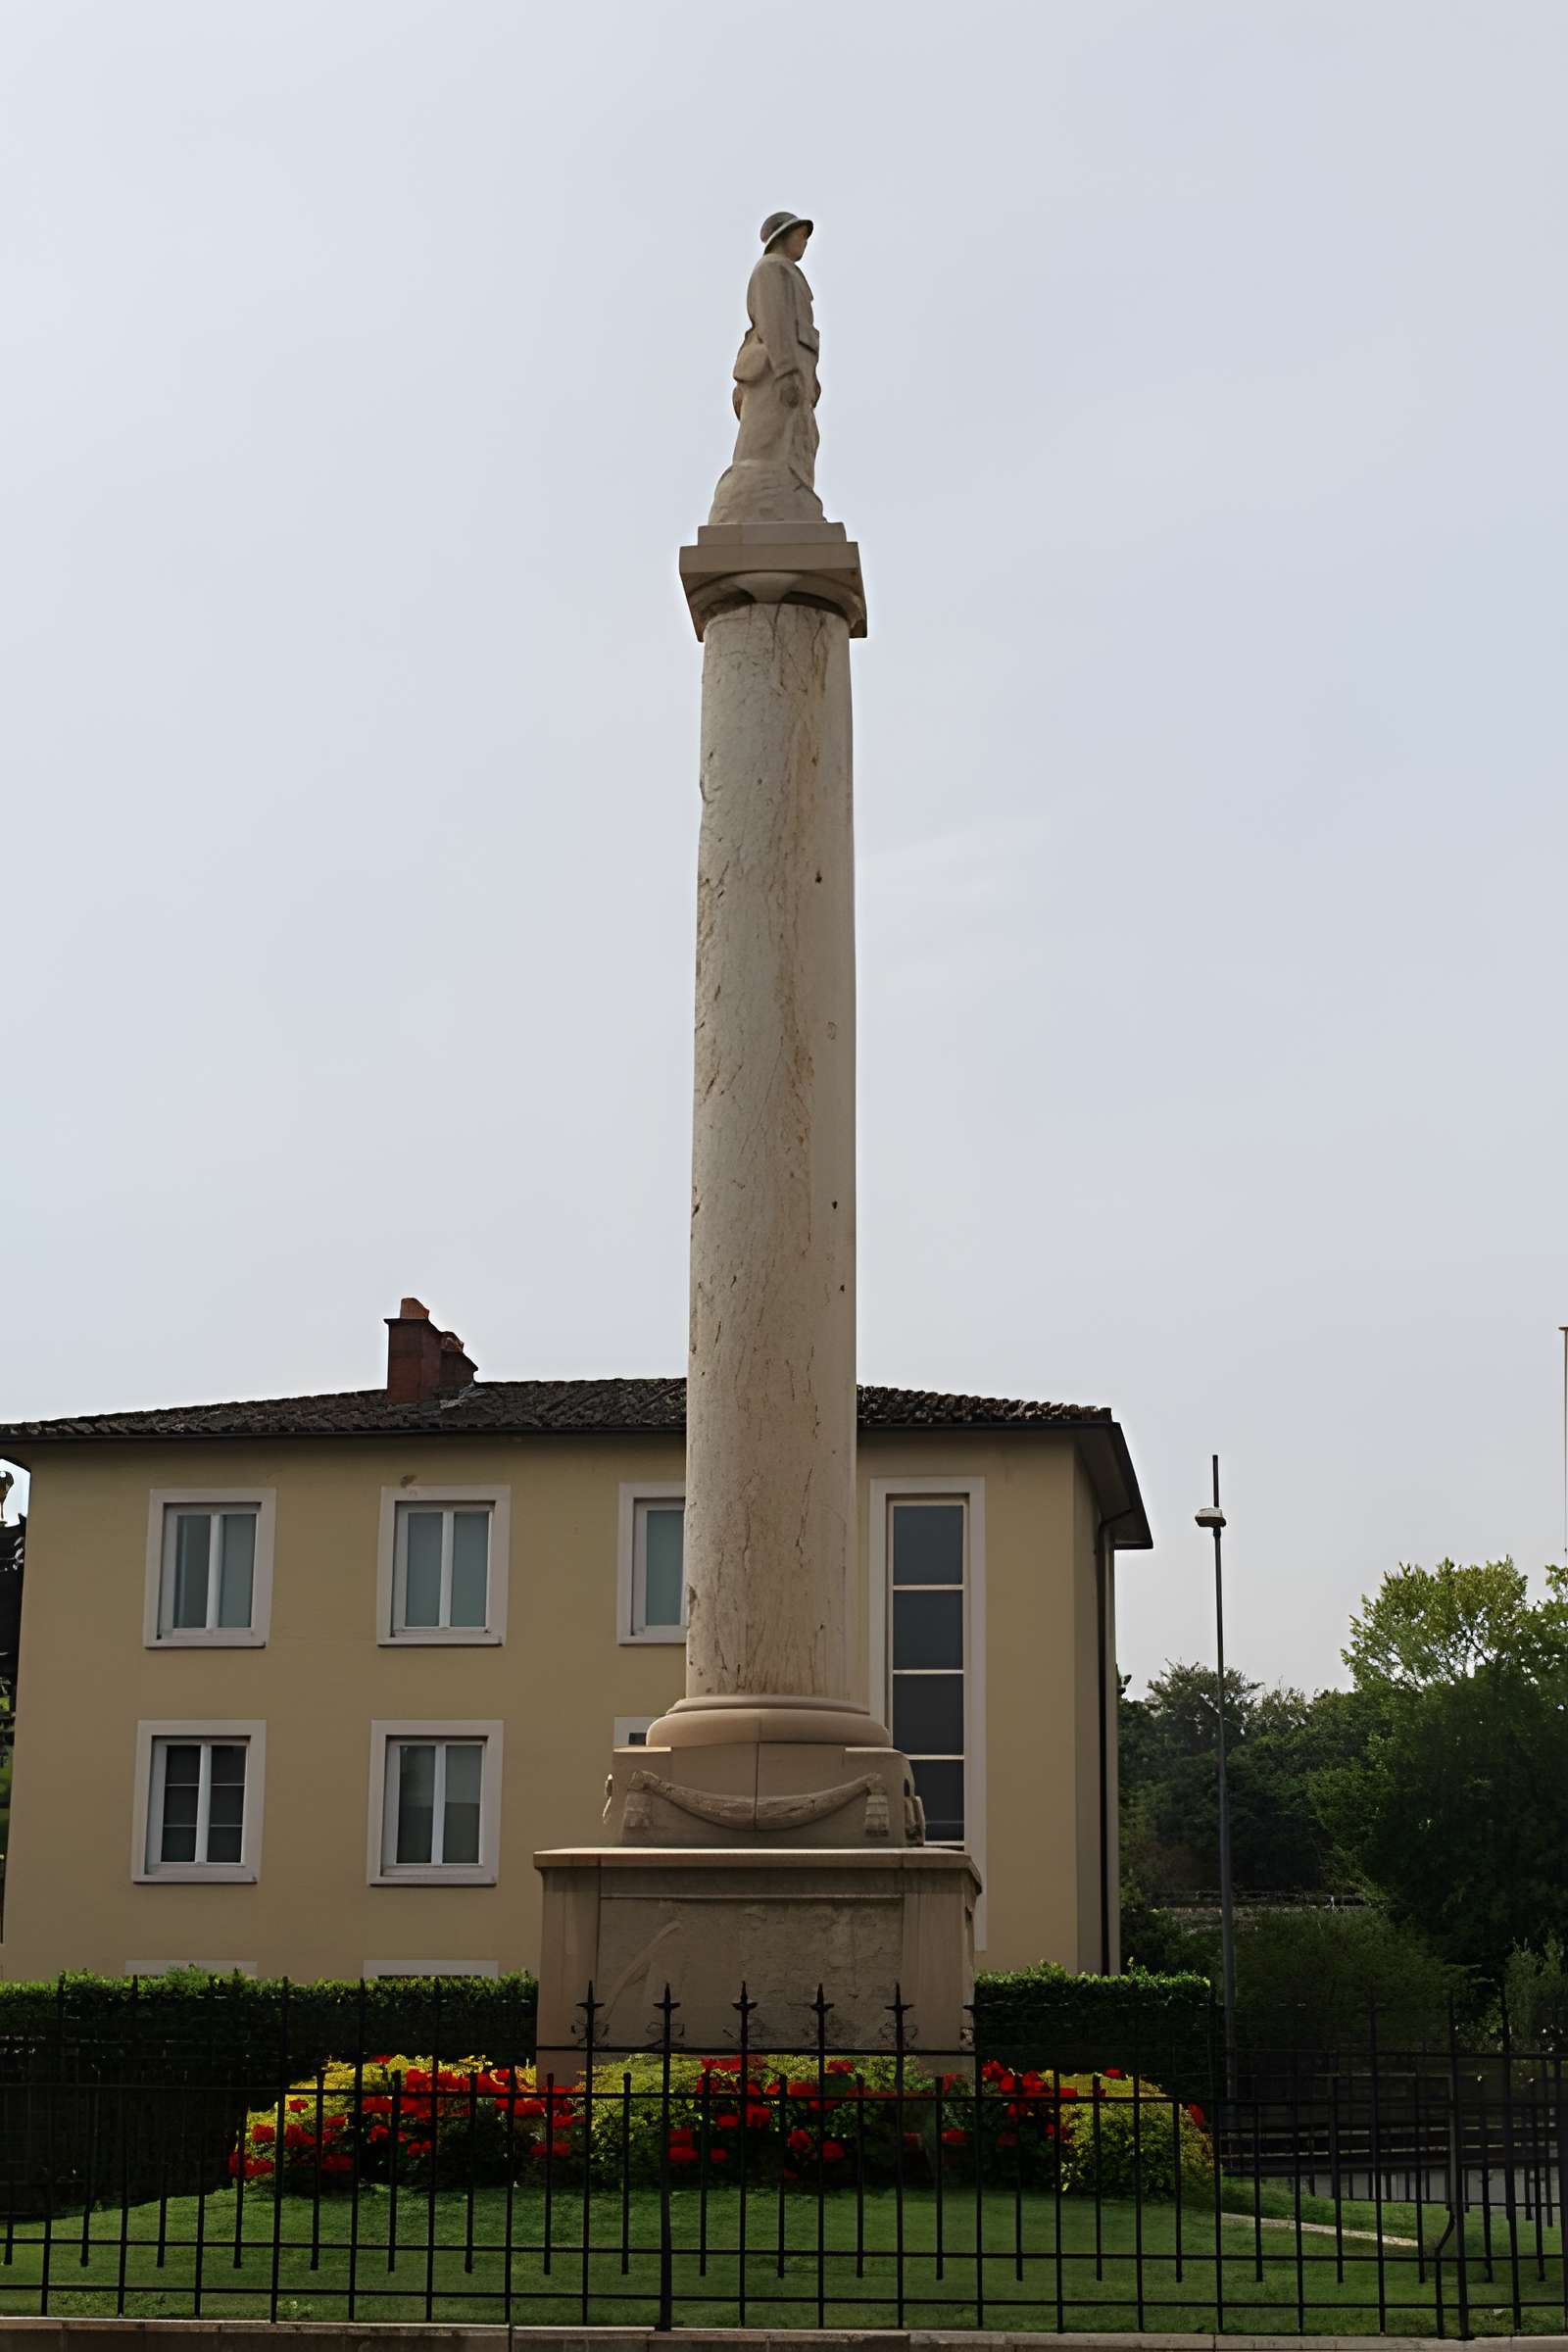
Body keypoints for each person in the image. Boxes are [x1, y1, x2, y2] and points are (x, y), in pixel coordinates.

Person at [708, 212, 825, 525]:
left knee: (796, 439)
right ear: (782, 237)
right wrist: (786, 370)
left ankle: (791, 493)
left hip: (796, 367)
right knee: (766, 442)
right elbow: (774, 322)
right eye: (799, 234)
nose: (804, 242)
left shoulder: (787, 272)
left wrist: (808, 377)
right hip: (775, 370)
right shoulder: (771, 270)